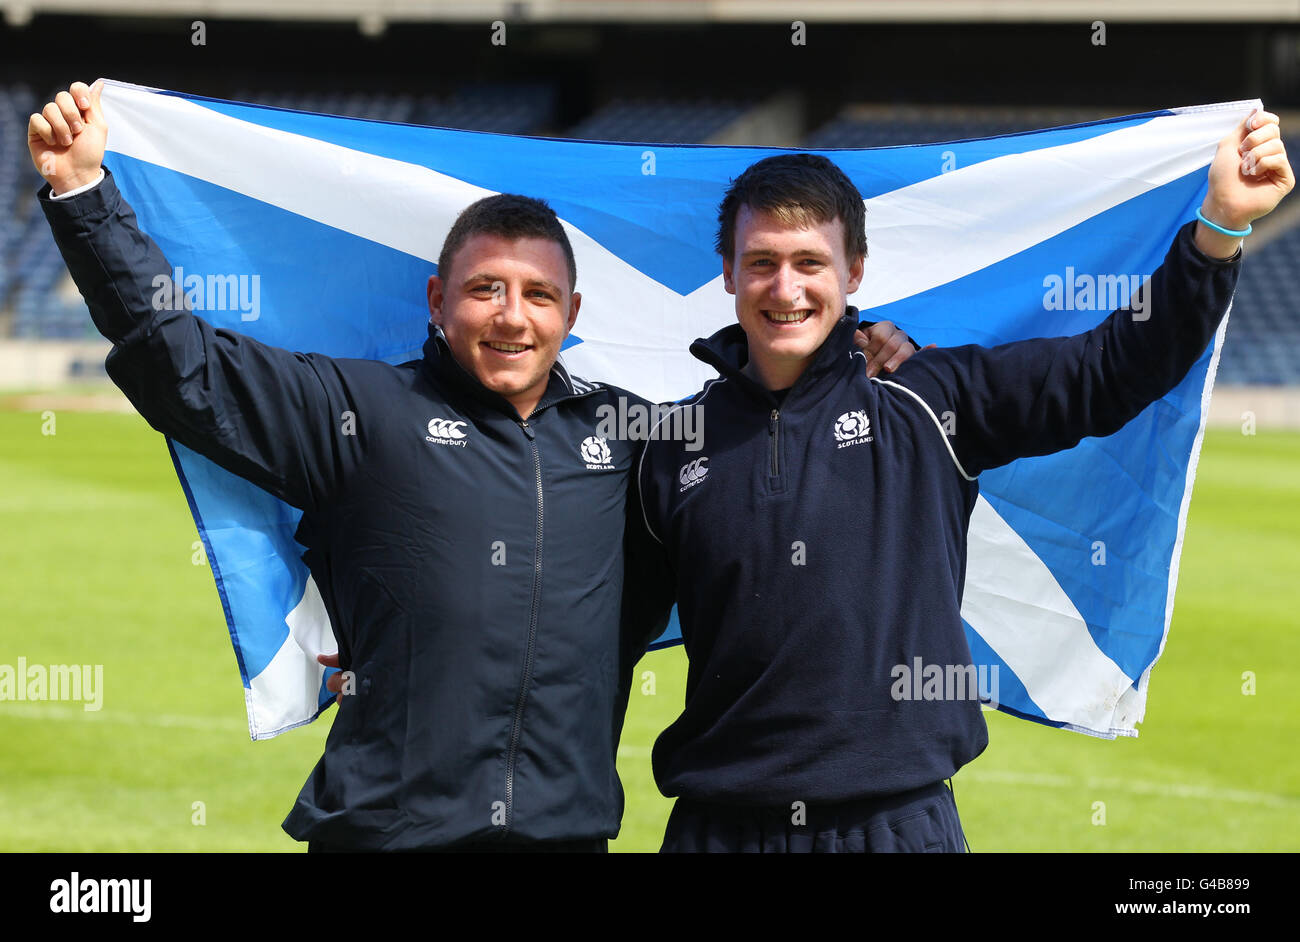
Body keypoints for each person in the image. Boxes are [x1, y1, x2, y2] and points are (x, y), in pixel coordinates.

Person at [27, 80, 915, 851]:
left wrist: (852, 351)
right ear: (438, 301)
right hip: (381, 836)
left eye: (536, 295)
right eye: (485, 288)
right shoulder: (362, 413)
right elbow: (182, 366)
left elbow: (767, 434)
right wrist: (83, 195)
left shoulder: (638, 437)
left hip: (565, 840)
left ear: (572, 311)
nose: (511, 317)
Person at [636, 117, 1293, 852]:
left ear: (853, 272)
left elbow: (1110, 369)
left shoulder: (929, 401)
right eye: (760, 262)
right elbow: (588, 625)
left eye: (808, 263)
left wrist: (1220, 228)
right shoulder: (671, 446)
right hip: (716, 831)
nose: (784, 287)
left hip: (895, 828)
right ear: (727, 272)